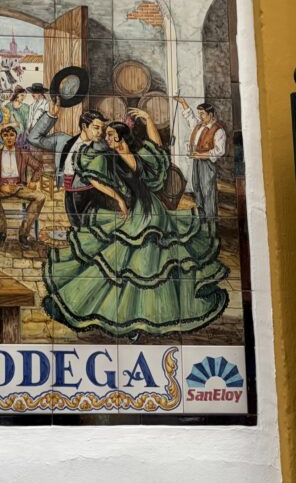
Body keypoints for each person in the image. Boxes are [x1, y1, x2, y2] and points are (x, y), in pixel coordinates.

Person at [42, 109, 230, 338]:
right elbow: (91, 177)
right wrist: (119, 199)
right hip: (132, 213)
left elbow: (157, 145)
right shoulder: (107, 157)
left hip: (151, 213)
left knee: (150, 265)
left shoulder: (139, 154)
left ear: (122, 138)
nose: (107, 138)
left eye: (111, 135)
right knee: (123, 264)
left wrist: (149, 119)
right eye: (106, 135)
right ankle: (127, 319)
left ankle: (146, 317)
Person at [27, 99, 107, 227]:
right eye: (96, 128)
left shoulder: (101, 146)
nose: (100, 132)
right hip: (69, 192)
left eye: (102, 129)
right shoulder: (62, 140)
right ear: (84, 127)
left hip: (91, 193)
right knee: (74, 226)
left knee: (89, 228)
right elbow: (33, 138)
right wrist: (51, 116)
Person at [0, 125, 46, 250]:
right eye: (5, 135)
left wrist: (33, 181)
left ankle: (23, 234)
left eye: (12, 135)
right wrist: (1, 187)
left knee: (40, 196)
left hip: (19, 186)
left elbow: (39, 167)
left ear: (16, 137)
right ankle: (1, 233)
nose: (9, 138)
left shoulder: (23, 153)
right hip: (2, 187)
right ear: (2, 137)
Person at [175, 97, 226, 232]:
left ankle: (212, 225)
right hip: (197, 163)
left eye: (202, 114)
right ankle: (202, 223)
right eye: (199, 114)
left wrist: (201, 155)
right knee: (197, 189)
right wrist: (183, 103)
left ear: (211, 115)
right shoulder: (198, 127)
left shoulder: (218, 130)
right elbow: (190, 118)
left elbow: (219, 151)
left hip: (207, 165)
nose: (200, 116)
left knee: (208, 192)